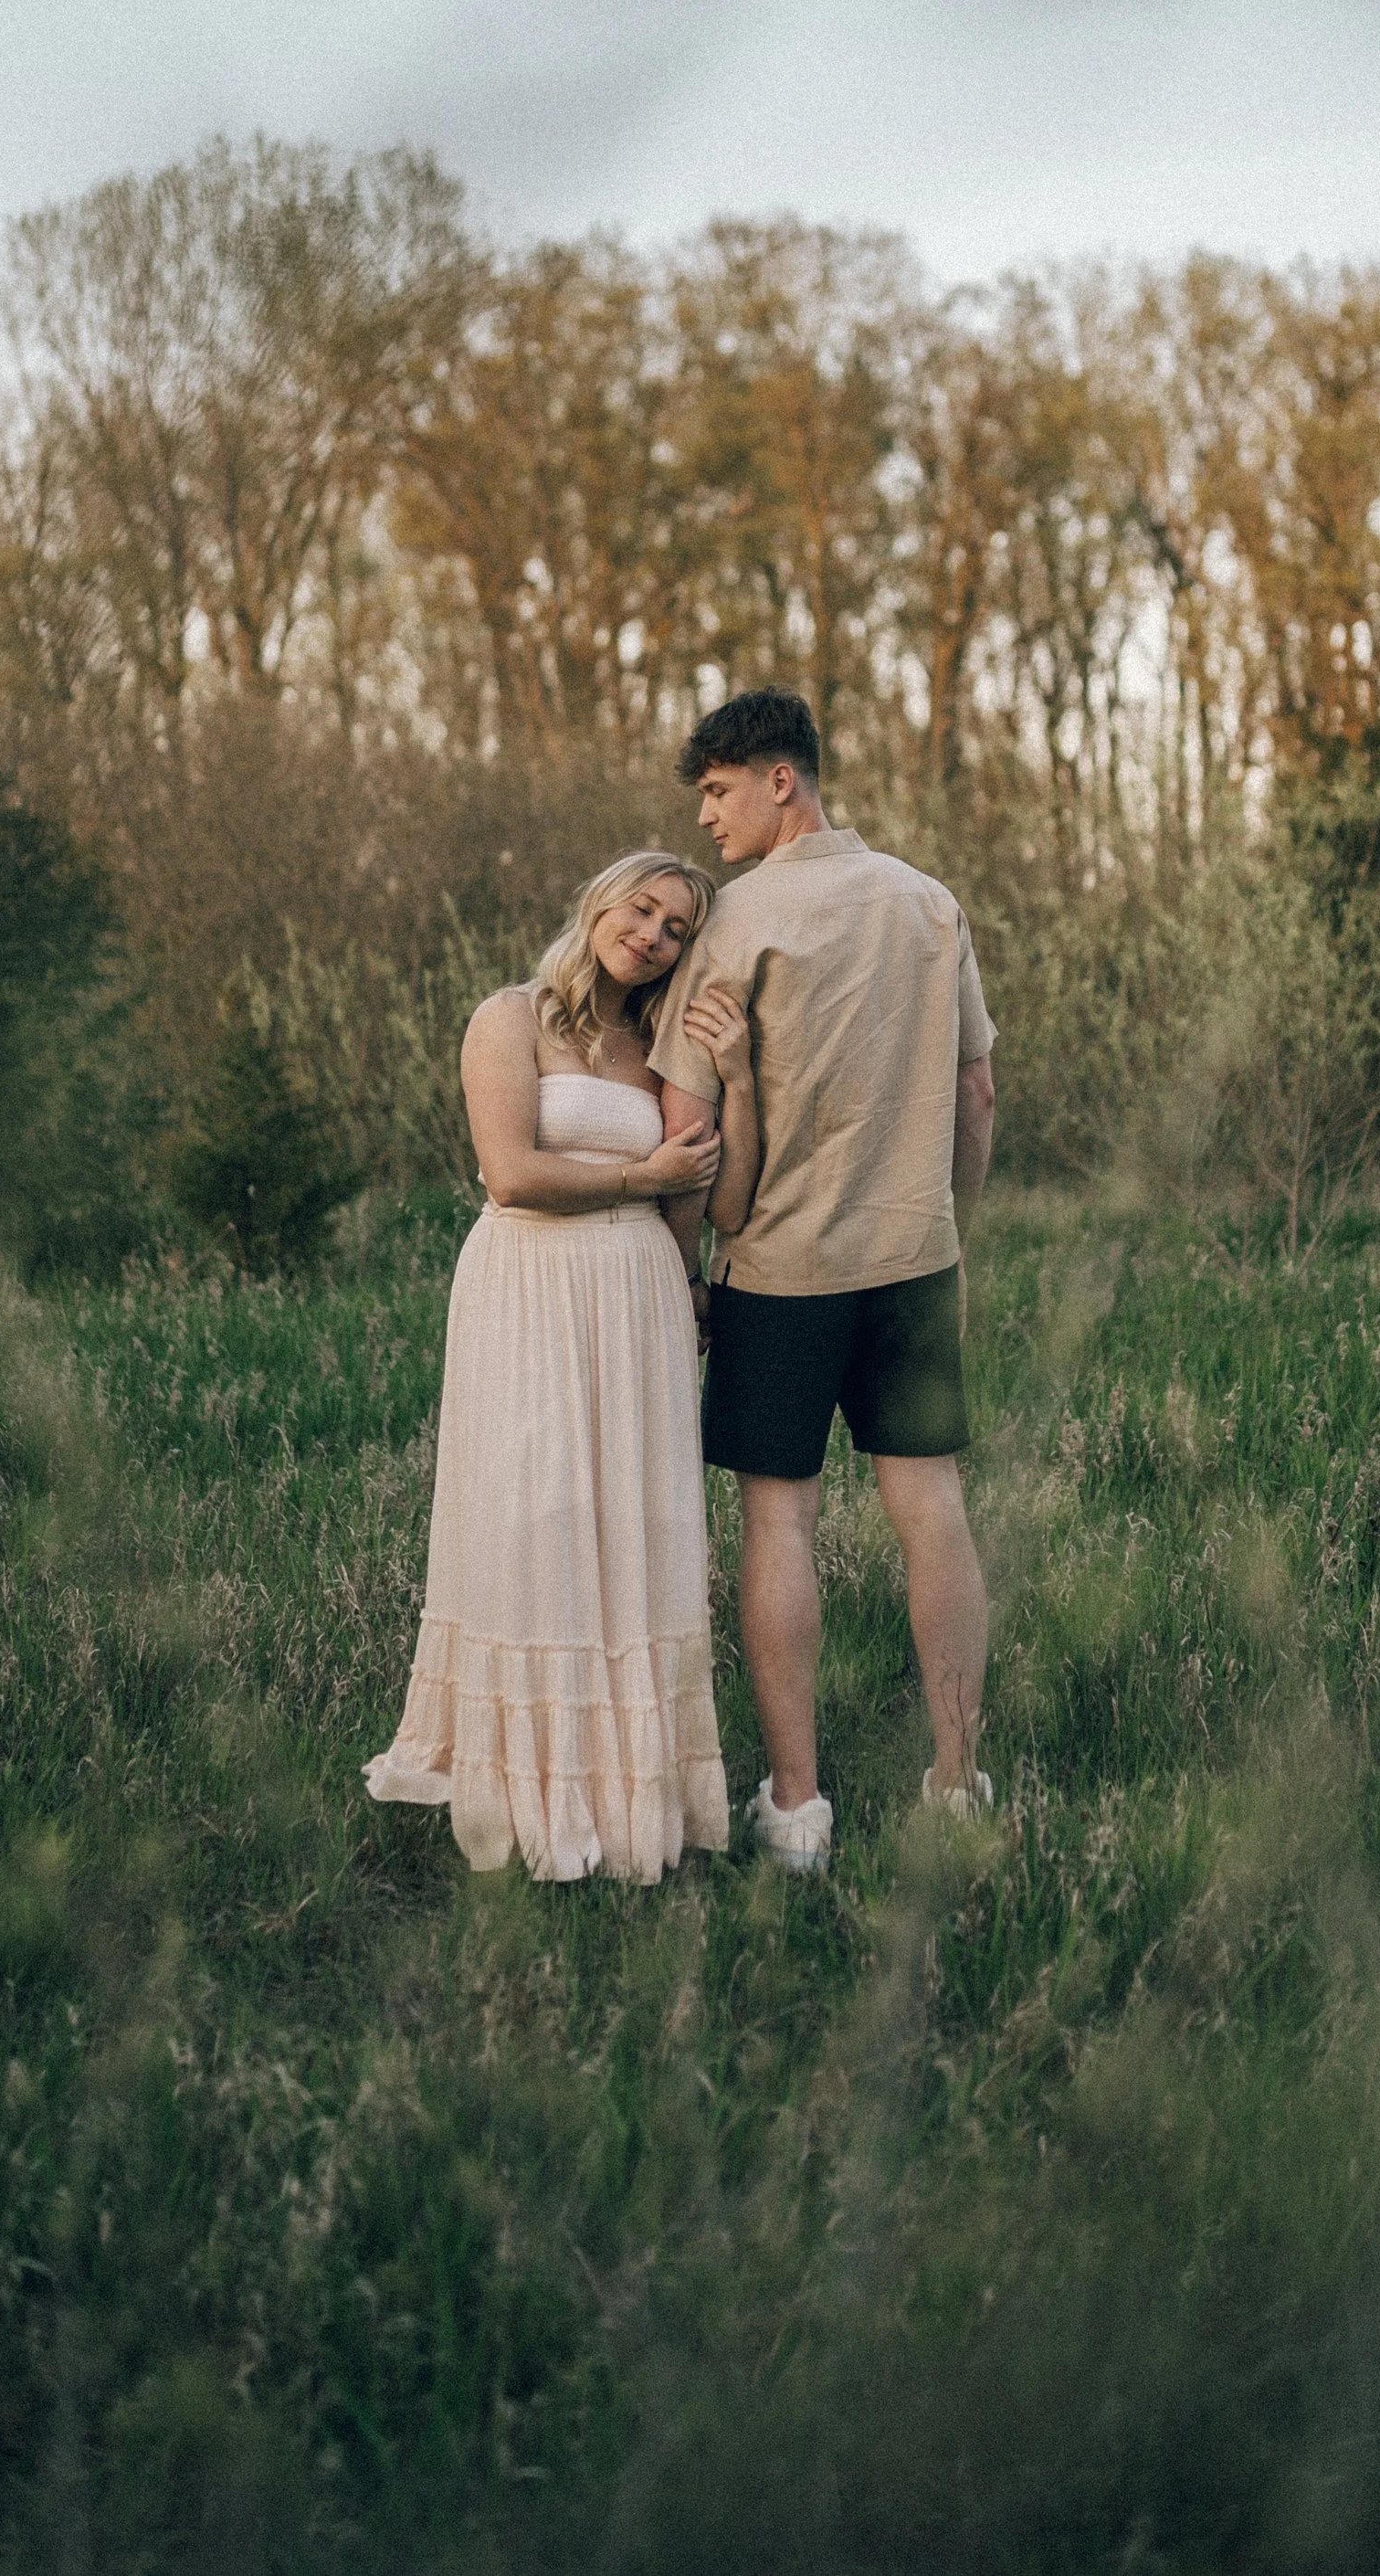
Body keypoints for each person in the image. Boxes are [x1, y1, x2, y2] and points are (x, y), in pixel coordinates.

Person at [650, 689, 997, 1874]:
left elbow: (688, 1122)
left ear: (779, 780)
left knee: (779, 1517)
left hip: (779, 1276)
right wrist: (940, 1221)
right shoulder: (927, 901)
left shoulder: (739, 922)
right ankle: (955, 1781)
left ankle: (796, 1810)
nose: (706, 817)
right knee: (931, 1507)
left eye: (716, 790)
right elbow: (977, 1094)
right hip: (913, 1263)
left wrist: (690, 1266)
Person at [363, 850, 759, 1881]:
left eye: (678, 928)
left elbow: (691, 1199)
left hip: (637, 1302)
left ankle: (633, 1794)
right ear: (600, 904)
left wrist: (691, 1287)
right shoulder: (510, 1018)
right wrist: (642, 1172)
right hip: (529, 1290)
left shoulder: (663, 1048)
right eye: (644, 910)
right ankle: (526, 1786)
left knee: (633, 1527)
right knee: (534, 1514)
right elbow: (511, 1175)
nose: (655, 936)